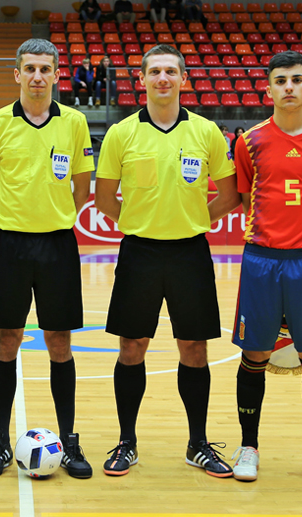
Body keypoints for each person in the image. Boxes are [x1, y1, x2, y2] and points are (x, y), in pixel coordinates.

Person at [94, 44, 241, 477]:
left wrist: (193, 219)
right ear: (141, 79)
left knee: (194, 349)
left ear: (182, 79)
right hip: (139, 251)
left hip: (190, 252)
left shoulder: (207, 132)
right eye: (154, 71)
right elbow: (104, 199)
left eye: (170, 71)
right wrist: (144, 222)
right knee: (132, 347)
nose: (162, 78)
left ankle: (198, 443)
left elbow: (230, 195)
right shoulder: (122, 133)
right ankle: (127, 442)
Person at [229, 51, 302, 488]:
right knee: (255, 353)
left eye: (297, 80)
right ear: (268, 88)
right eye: (280, 80)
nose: (289, 87)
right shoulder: (250, 141)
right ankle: (248, 447)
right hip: (261, 260)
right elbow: (246, 199)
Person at [0, 38, 94, 480]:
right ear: (17, 74)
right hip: (10, 244)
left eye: (46, 69)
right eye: (30, 68)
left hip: (58, 244)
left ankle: (69, 440)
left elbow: (81, 189)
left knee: (59, 343)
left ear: (57, 74)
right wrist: (18, 215)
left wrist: (53, 214)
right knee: (6, 341)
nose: (38, 76)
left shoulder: (76, 122)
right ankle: (0, 442)